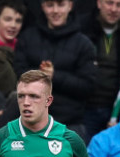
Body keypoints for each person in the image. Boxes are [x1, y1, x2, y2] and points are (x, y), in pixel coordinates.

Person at [13, 0, 97, 139]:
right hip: (29, 121)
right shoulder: (27, 37)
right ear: (42, 7)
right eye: (50, 5)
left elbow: (88, 86)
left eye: (60, 5)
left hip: (69, 123)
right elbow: (17, 73)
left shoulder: (83, 44)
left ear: (70, 6)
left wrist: (55, 76)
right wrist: (40, 77)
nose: (55, 11)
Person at [80, 0, 120, 141]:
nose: (114, 9)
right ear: (99, 3)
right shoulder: (82, 28)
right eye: (109, 3)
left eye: (119, 5)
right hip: (86, 107)